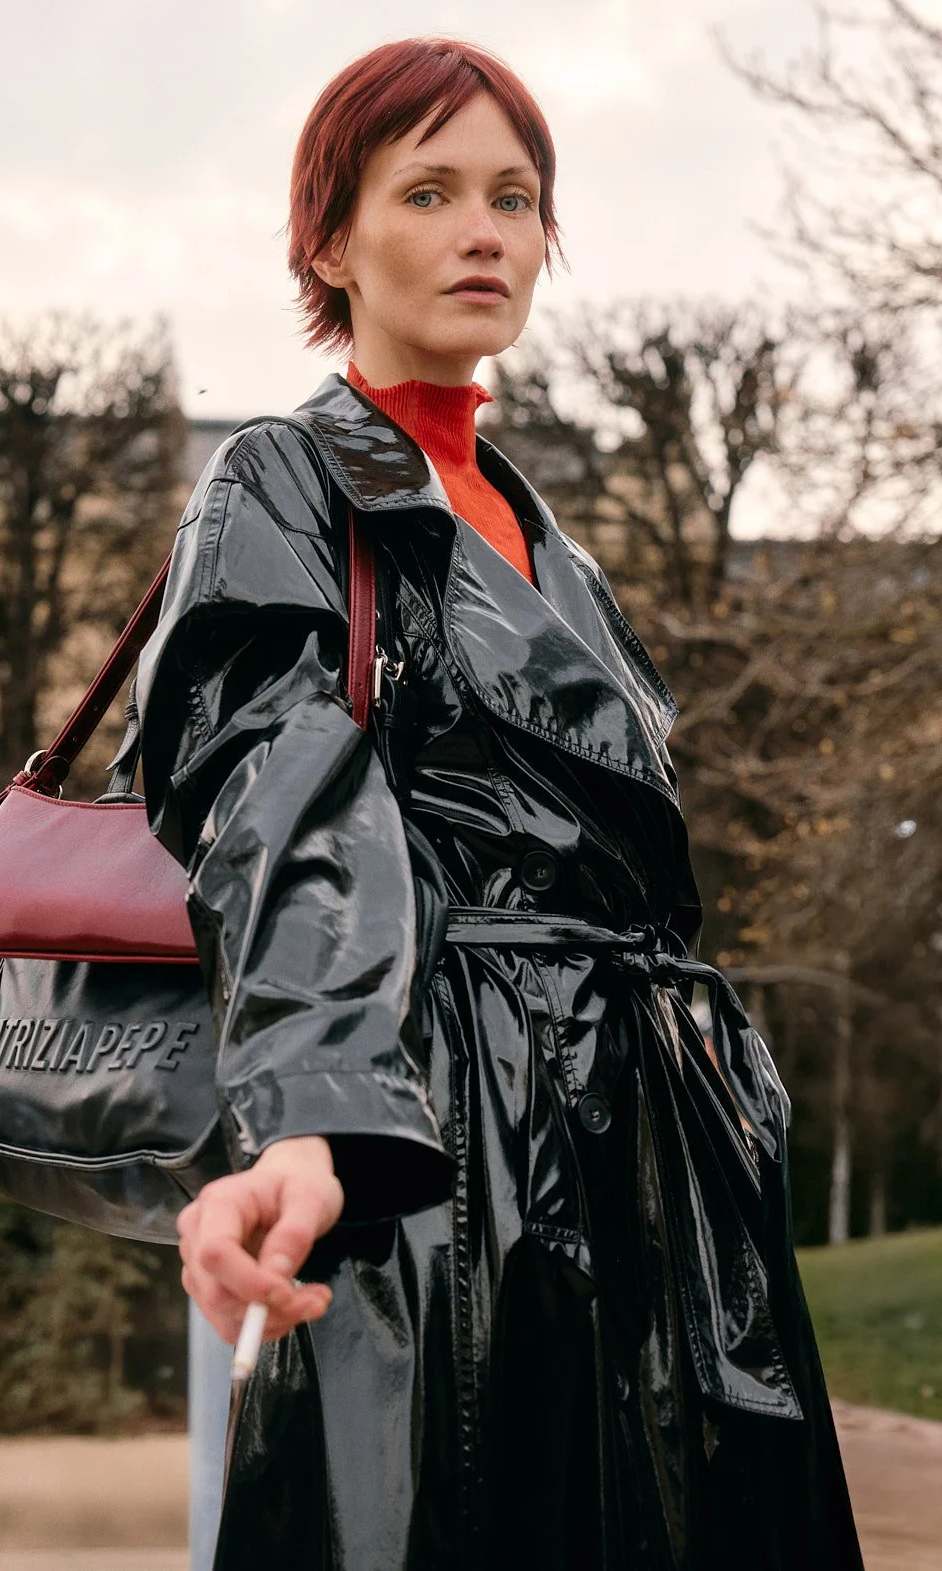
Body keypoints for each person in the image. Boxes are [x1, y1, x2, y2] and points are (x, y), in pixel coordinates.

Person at [137, 36, 864, 1571]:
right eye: (430, 188)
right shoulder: (282, 483)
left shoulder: (557, 548)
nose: (486, 229)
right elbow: (280, 799)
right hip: (451, 1152)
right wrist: (318, 1109)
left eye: (516, 195)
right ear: (329, 241)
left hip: (657, 1162)